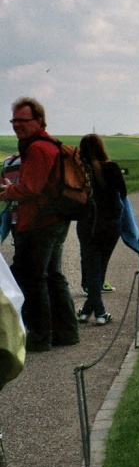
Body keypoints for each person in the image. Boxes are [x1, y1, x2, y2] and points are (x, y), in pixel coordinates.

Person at [0, 97, 79, 352]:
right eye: (14, 120)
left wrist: (9, 191)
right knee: (53, 277)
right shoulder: (48, 144)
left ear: (38, 121)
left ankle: (40, 336)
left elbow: (31, 188)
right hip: (54, 219)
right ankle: (66, 332)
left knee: (34, 279)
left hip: (38, 222)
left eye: (23, 120)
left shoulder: (37, 148)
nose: (17, 125)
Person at [76, 134, 126, 326]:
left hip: (88, 224)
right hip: (110, 224)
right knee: (100, 266)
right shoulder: (112, 168)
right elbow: (123, 193)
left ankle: (89, 309)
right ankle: (99, 311)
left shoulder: (81, 170)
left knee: (93, 266)